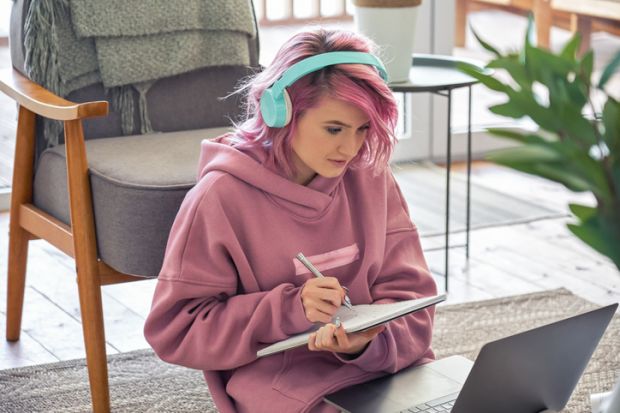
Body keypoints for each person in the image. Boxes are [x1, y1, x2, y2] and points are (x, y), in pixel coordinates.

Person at [144, 28, 438, 413]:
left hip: (386, 366)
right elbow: (177, 331)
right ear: (280, 112)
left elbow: (414, 301)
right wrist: (289, 309)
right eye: (334, 129)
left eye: (362, 129)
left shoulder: (371, 176)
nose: (350, 148)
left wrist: (366, 343)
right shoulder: (219, 198)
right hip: (287, 385)